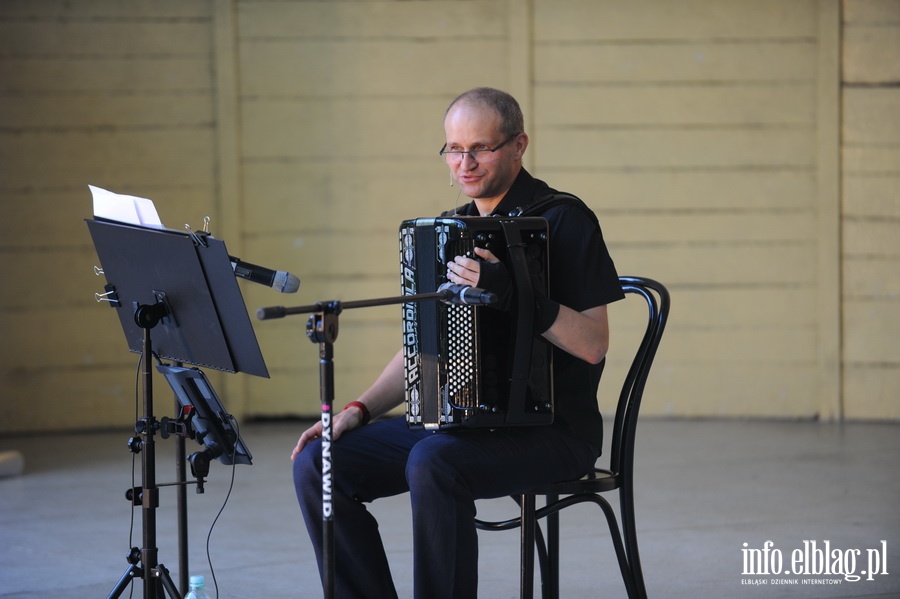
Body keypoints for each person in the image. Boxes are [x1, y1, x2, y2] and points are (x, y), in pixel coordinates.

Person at [292, 87, 624, 598]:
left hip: (555, 435)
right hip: (463, 425)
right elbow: (422, 349)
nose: (464, 162)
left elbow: (593, 345)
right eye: (453, 148)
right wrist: (358, 408)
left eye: (481, 148)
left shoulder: (565, 220)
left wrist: (514, 296)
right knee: (320, 461)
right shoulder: (455, 231)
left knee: (434, 461)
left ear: (518, 146)